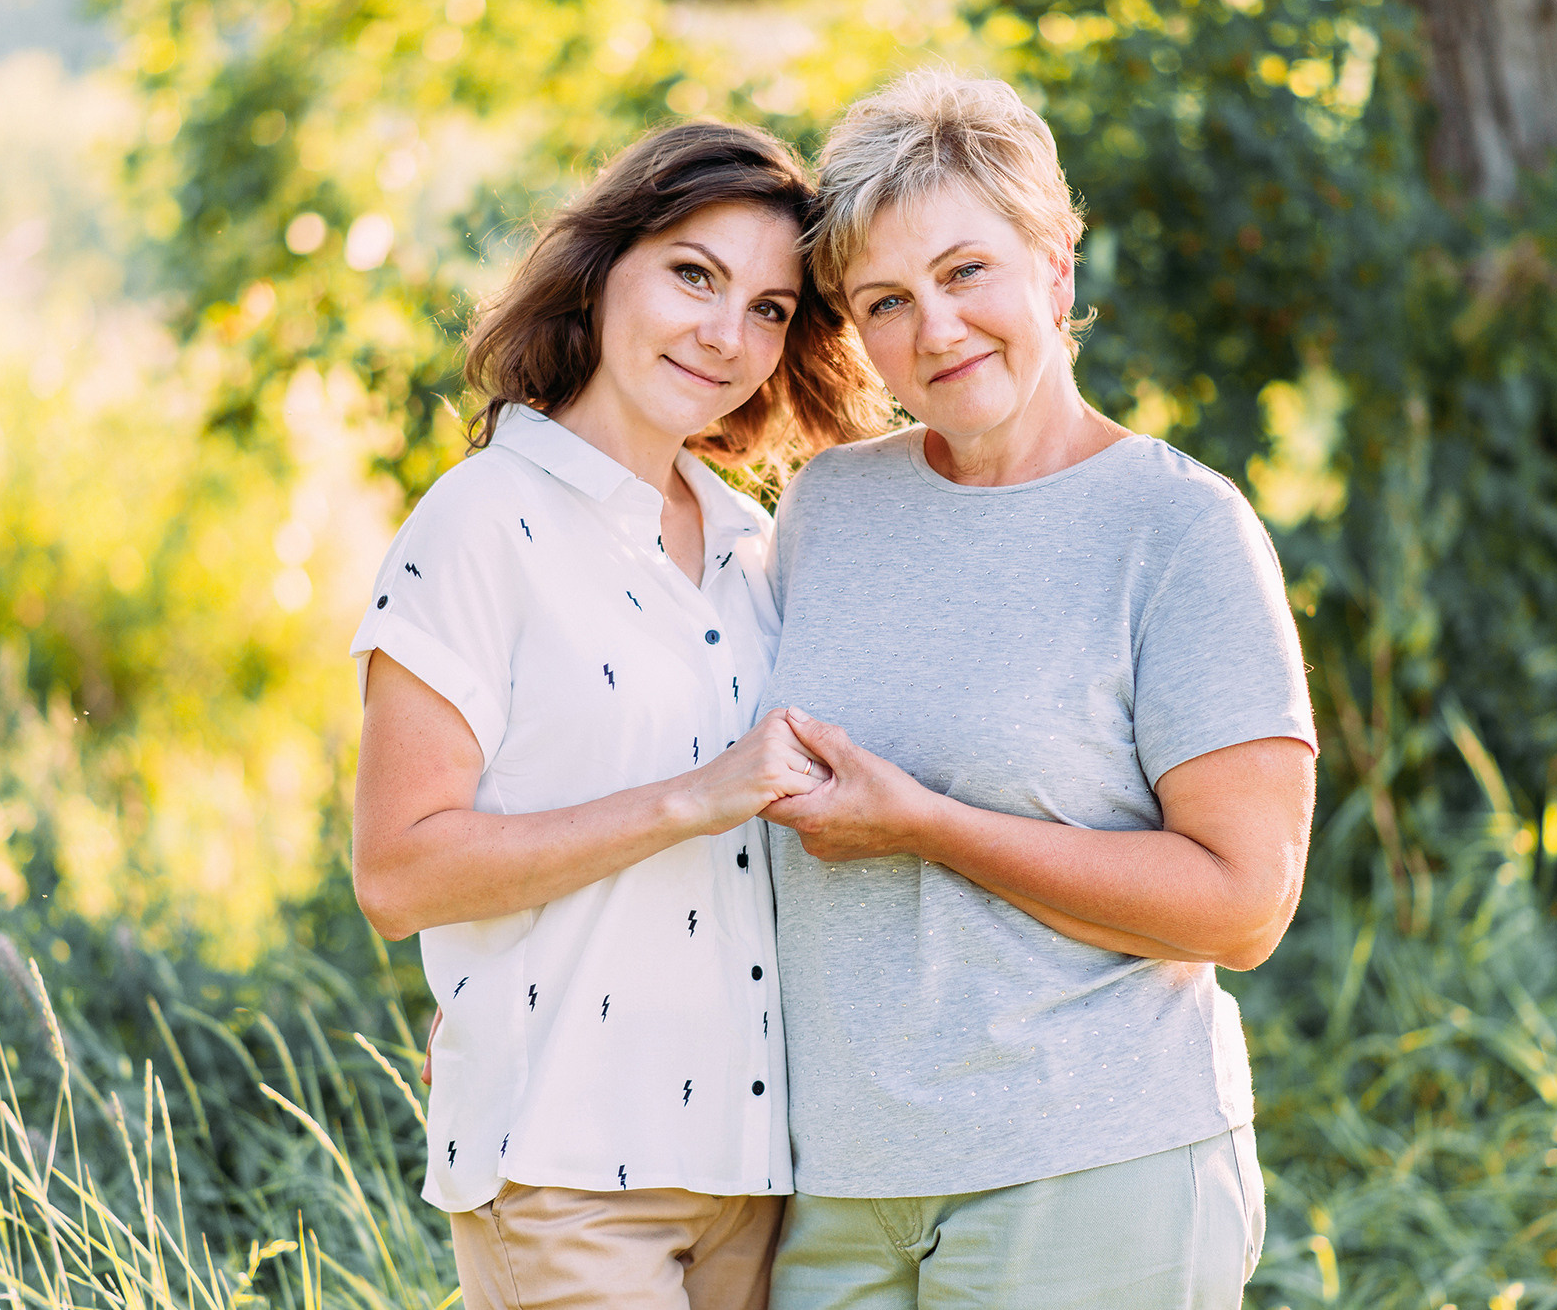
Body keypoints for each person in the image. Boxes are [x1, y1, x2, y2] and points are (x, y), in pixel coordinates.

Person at [756, 71, 1319, 1309]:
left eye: (966, 273)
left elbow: (1240, 906)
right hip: (835, 1184)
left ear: (1053, 265)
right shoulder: (827, 509)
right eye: (886, 301)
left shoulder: (1176, 530)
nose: (935, 330)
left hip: (1090, 1167)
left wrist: (927, 827)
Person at [349, 120, 877, 1310]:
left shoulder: (755, 544)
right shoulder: (478, 521)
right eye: (692, 275)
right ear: (598, 273)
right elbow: (397, 873)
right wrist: (691, 798)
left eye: (769, 309)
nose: (722, 333)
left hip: (758, 1170)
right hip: (565, 1167)